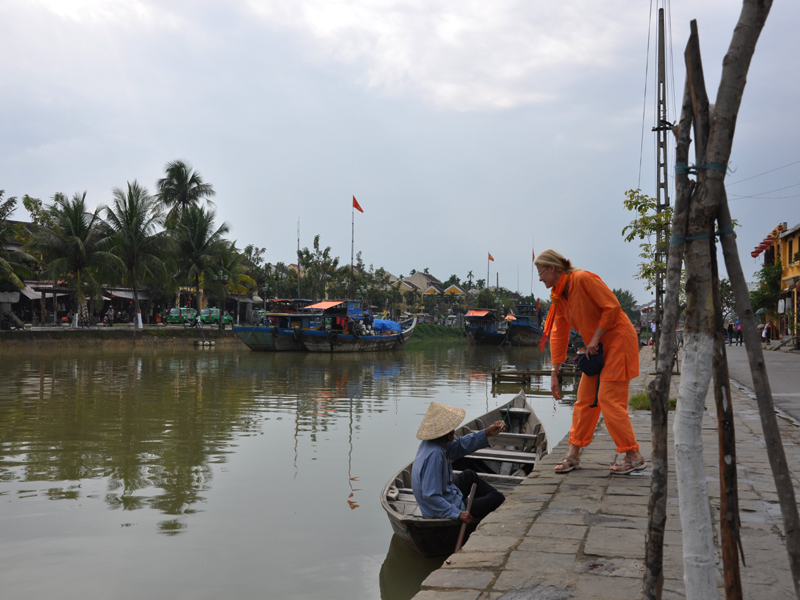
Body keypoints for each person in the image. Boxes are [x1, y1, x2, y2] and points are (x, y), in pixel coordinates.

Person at [535, 249, 645, 474]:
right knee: (585, 399)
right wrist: (555, 372)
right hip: (597, 348)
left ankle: (633, 455)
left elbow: (612, 307)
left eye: (540, 272)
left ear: (552, 269)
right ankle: (573, 456)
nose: (540, 278)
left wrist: (594, 339)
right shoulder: (560, 297)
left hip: (618, 340)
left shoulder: (582, 279)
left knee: (608, 399)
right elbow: (558, 334)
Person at [411, 402, 506, 524]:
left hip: (447, 496)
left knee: (469, 475)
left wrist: (487, 432)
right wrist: (458, 513)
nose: (454, 431)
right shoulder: (435, 455)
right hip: (439, 510)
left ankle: (480, 507)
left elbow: (460, 445)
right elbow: (431, 496)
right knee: (498, 498)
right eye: (451, 429)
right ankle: (480, 509)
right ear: (444, 433)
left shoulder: (435, 444)